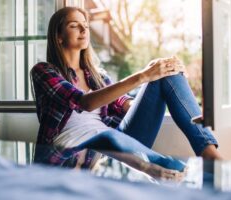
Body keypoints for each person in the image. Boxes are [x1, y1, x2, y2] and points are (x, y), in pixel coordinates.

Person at [31, 7, 221, 180]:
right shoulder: (44, 71)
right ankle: (160, 165)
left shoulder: (98, 76)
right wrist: (143, 75)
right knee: (108, 137)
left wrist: (153, 86)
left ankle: (210, 155)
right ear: (58, 36)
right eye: (74, 25)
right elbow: (84, 102)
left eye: (86, 25)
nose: (83, 30)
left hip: (115, 147)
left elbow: (123, 102)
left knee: (167, 73)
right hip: (69, 152)